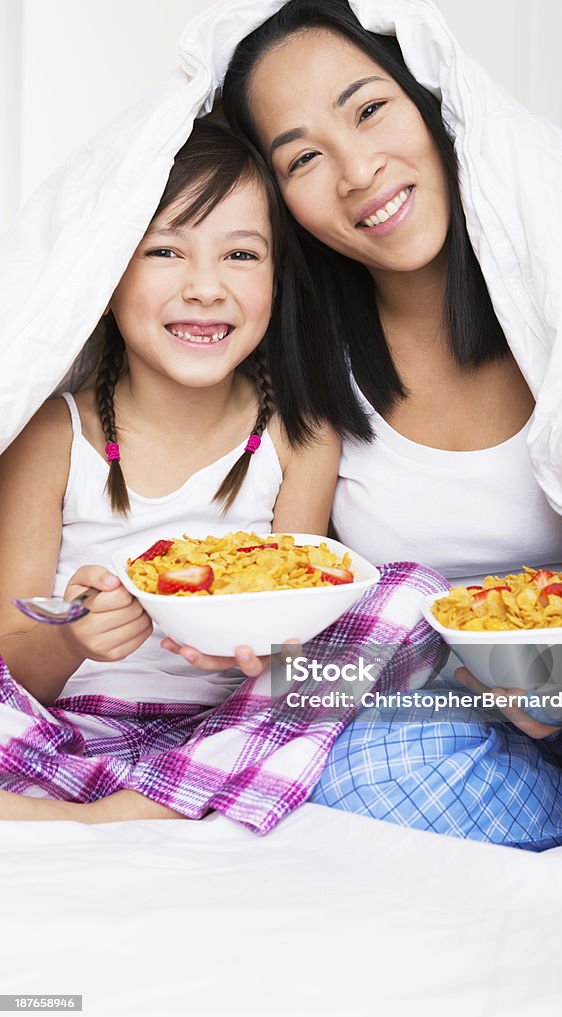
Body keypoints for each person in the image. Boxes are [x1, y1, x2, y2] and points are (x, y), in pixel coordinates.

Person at [196, 0, 562, 850]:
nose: (356, 170)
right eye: (304, 156)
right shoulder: (307, 364)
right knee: (363, 756)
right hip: (421, 703)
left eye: (369, 108)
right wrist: (257, 659)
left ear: (428, 100)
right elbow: (309, 633)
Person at [0, 119, 346, 823]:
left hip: (224, 736)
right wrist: (72, 634)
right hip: (64, 731)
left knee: (400, 602)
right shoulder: (50, 433)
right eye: (165, 250)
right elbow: (16, 669)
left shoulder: (298, 436)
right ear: (106, 271)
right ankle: (112, 806)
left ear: (278, 276)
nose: (205, 287)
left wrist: (261, 652)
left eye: (242, 254)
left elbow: (294, 647)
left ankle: (127, 805)